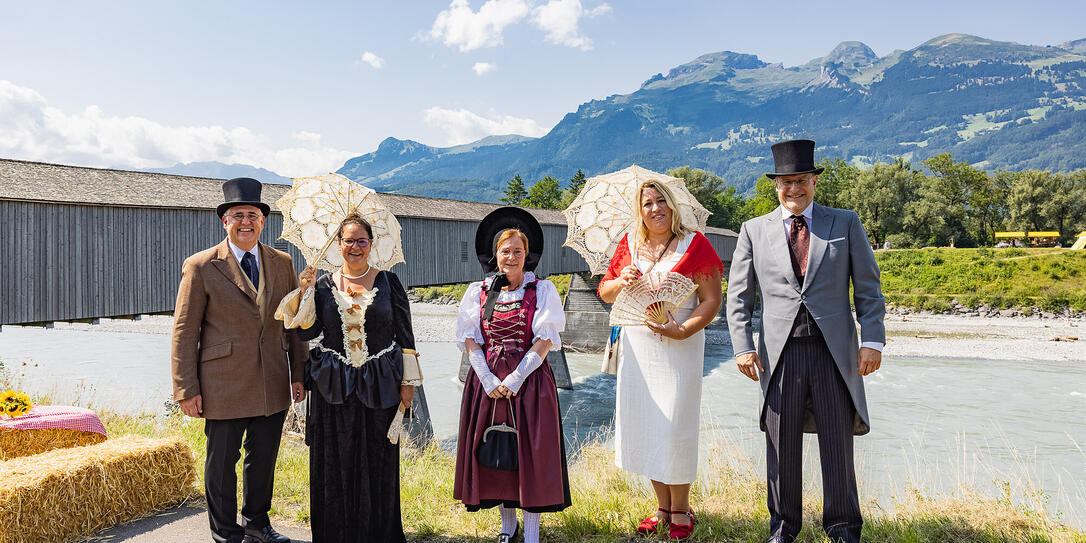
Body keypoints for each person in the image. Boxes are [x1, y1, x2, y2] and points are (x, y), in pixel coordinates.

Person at [726, 139, 886, 543]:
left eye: (801, 180)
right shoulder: (752, 230)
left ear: (814, 181)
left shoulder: (845, 223)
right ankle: (782, 528)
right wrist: (743, 346)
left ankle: (844, 528)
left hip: (834, 354)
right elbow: (739, 297)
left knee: (838, 446)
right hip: (778, 356)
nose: (793, 189)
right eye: (785, 182)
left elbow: (868, 287)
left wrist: (874, 341)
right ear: (775, 185)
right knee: (780, 450)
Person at [171, 177, 308, 543]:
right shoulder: (200, 266)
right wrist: (186, 389)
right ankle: (225, 534)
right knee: (221, 464)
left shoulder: (282, 262)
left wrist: (299, 374)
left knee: (262, 460)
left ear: (263, 221)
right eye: (237, 215)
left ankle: (257, 524)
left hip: (271, 380)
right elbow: (185, 332)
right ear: (224, 221)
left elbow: (292, 323)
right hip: (222, 384)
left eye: (252, 215)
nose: (245, 222)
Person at [275, 214, 421, 543]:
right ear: (338, 244)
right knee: (333, 462)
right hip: (334, 388)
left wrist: (408, 384)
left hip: (380, 385)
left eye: (361, 241)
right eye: (348, 240)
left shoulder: (388, 282)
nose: (354, 247)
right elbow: (309, 331)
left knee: (377, 461)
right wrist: (306, 291)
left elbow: (406, 337)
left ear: (371, 244)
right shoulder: (324, 284)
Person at [597, 180, 723, 540]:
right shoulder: (629, 245)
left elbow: (711, 300)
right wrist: (621, 280)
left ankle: (682, 508)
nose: (656, 208)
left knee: (674, 424)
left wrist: (682, 330)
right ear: (641, 210)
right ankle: (662, 508)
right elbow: (605, 293)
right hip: (638, 349)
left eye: (661, 201)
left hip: (680, 344)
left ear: (673, 205)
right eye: (648, 203)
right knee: (648, 423)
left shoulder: (695, 244)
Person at [453, 207, 570, 543]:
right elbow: (470, 339)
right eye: (506, 251)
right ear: (496, 255)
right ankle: (508, 527)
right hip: (486, 383)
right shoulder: (479, 291)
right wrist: (488, 380)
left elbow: (546, 339)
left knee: (529, 455)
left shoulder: (542, 290)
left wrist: (517, 378)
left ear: (527, 255)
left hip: (530, 382)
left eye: (518, 251)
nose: (512, 257)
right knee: (497, 454)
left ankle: (531, 531)